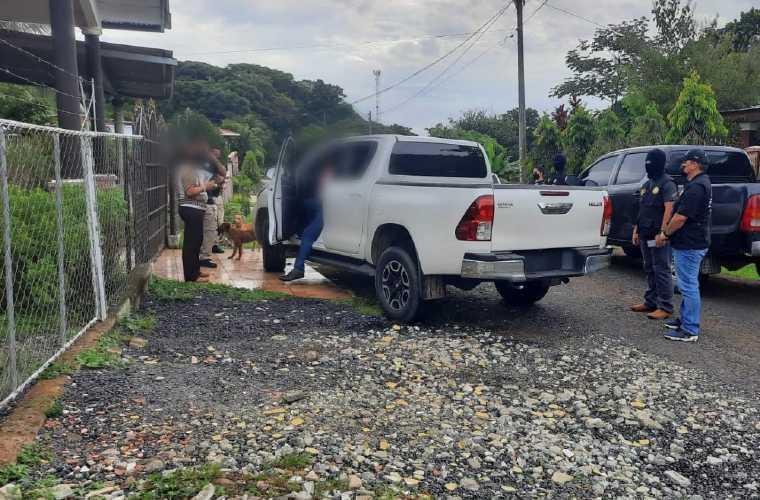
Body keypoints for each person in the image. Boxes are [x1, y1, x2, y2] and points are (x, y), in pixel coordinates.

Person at [656, 149, 712, 342]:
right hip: (691, 241)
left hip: (690, 243)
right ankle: (685, 319)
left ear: (695, 164)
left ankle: (690, 329)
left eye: (686, 162)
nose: (683, 164)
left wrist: (665, 233)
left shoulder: (697, 187)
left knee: (688, 285)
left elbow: (680, 218)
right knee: (686, 283)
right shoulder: (699, 183)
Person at [630, 149, 677, 320]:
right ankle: (650, 301)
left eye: (651, 163)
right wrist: (636, 230)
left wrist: (663, 232)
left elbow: (669, 209)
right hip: (645, 232)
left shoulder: (667, 183)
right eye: (647, 163)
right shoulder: (647, 185)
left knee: (661, 269)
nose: (648, 166)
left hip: (658, 235)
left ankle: (665, 306)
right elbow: (641, 209)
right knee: (649, 267)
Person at [279, 164, 335, 282]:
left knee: (307, 235)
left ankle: (298, 268)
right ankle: (299, 265)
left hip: (322, 209)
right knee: (305, 233)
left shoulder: (320, 175)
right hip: (316, 207)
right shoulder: (316, 174)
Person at [176, 139, 218, 282]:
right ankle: (191, 276)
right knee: (191, 243)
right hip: (190, 208)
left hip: (194, 209)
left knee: (196, 241)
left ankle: (195, 271)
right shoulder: (187, 169)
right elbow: (190, 191)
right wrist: (206, 186)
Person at [198, 144, 227, 268]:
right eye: (214, 154)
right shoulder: (202, 163)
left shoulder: (212, 164)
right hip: (204, 200)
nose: (216, 156)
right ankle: (203, 257)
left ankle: (206, 253)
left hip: (209, 199)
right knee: (208, 230)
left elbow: (223, 173)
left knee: (210, 229)